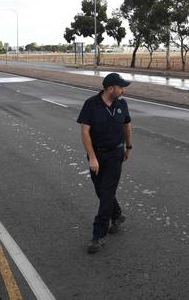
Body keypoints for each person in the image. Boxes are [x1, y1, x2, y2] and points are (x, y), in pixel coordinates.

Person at [77, 73, 133, 254]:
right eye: (120, 87)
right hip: (97, 155)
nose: (123, 90)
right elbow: (85, 132)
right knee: (101, 191)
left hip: (116, 154)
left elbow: (127, 125)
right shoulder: (91, 105)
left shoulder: (122, 104)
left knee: (107, 192)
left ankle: (98, 235)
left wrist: (128, 146)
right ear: (111, 88)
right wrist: (92, 157)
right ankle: (117, 215)